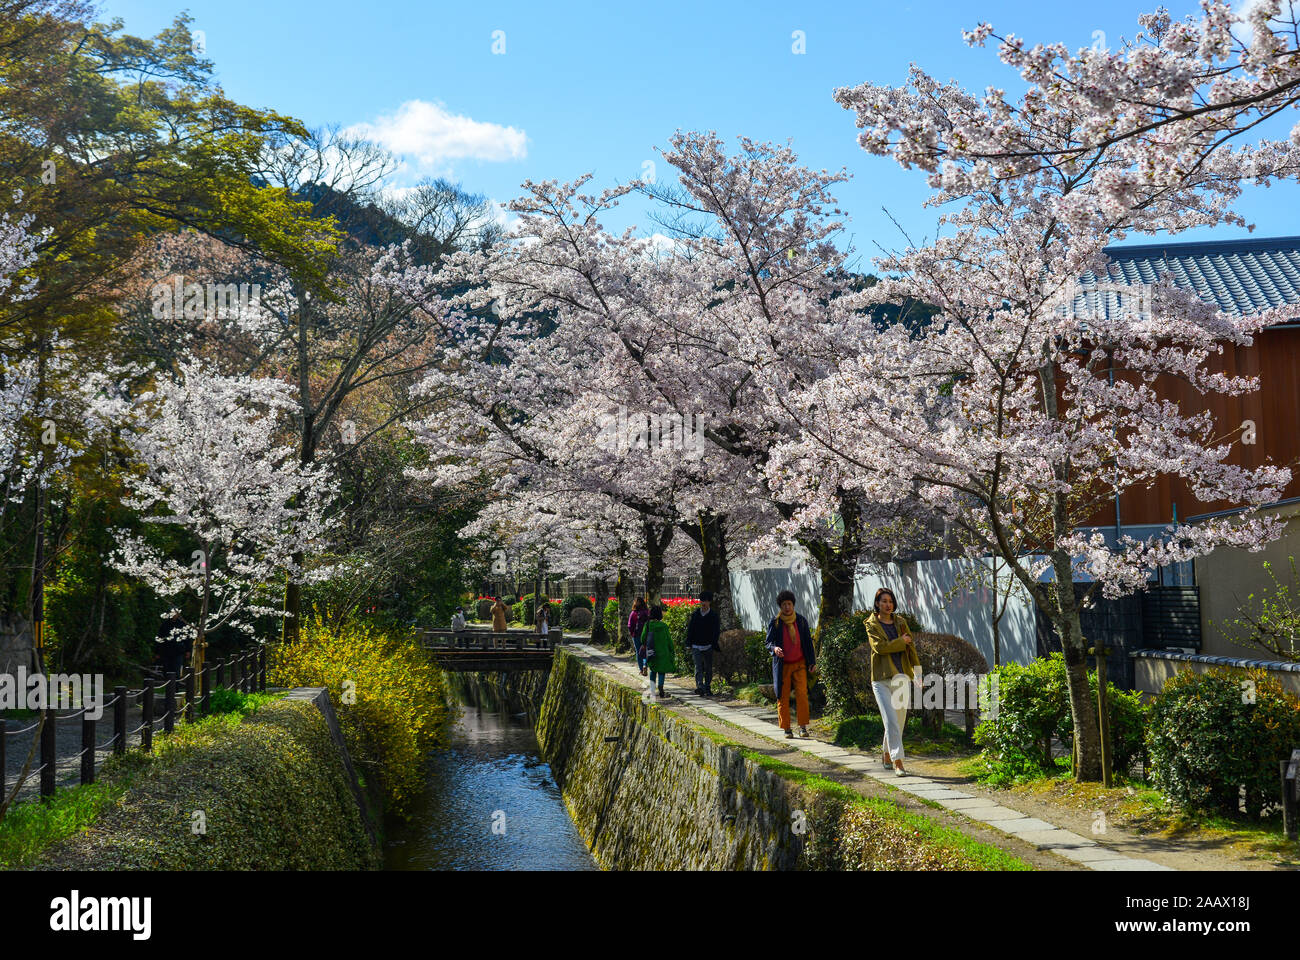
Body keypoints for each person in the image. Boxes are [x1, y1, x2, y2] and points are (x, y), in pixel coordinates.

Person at [865, 587, 921, 777]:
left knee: (898, 720)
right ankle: (899, 762)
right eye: (884, 601)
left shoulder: (901, 622)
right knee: (890, 720)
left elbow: (911, 649)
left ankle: (887, 755)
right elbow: (879, 648)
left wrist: (918, 672)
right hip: (881, 679)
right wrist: (900, 641)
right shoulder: (871, 624)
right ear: (877, 604)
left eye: (890, 601)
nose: (888, 605)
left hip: (902, 676)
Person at [765, 590, 816, 739]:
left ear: (793, 605)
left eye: (789, 604)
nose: (787, 607)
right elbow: (768, 642)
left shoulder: (800, 621)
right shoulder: (775, 622)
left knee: (802, 695)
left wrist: (811, 662)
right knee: (783, 696)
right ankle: (787, 728)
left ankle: (803, 727)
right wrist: (775, 648)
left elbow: (807, 642)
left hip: (799, 663)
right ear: (780, 607)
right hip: (783, 665)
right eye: (784, 605)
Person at [686, 590, 721, 696]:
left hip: (708, 645)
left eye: (706, 601)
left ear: (709, 602)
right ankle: (700, 686)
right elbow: (690, 629)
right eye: (702, 601)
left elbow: (716, 631)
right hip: (696, 645)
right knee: (698, 667)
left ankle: (707, 686)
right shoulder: (696, 614)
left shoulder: (714, 616)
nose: (704, 603)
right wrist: (688, 643)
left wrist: (714, 643)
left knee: (708, 668)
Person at [641, 604, 674, 699]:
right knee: (661, 671)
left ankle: (652, 689)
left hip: (652, 651)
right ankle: (661, 686)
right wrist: (671, 649)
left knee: (653, 670)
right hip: (663, 651)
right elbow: (669, 639)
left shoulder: (647, 625)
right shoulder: (664, 626)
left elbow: (643, 638)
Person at [155, 614, 189, 681]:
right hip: (166, 651)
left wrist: (188, 650)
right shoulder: (165, 624)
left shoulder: (182, 624)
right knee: (167, 670)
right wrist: (157, 652)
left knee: (176, 670)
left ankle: (176, 688)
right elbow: (160, 638)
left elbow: (186, 638)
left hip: (178, 651)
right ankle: (169, 687)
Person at [628, 597, 649, 675]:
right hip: (646, 635)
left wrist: (632, 633)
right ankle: (645, 665)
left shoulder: (633, 613)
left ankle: (641, 669)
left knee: (638, 652)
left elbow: (630, 625)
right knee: (645, 651)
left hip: (636, 635)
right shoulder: (647, 612)